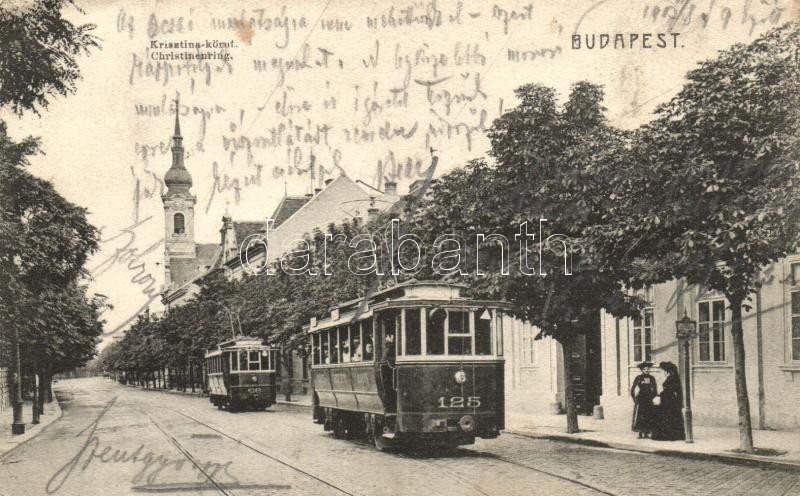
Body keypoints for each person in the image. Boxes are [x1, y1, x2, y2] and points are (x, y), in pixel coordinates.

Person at [652, 361, 686, 441]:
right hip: (669, 399)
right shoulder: (673, 378)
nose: (664, 372)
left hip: (668, 400)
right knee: (670, 417)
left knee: (667, 416)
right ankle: (673, 434)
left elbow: (670, 390)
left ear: (668, 371)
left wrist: (660, 395)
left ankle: (667, 435)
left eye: (664, 371)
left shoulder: (672, 378)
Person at [630, 361, 658, 438]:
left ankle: (647, 432)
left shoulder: (652, 378)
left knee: (648, 415)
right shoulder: (638, 378)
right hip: (641, 398)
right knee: (640, 415)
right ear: (642, 370)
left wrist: (655, 397)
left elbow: (655, 389)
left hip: (649, 398)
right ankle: (640, 433)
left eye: (648, 369)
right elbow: (632, 389)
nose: (646, 370)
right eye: (644, 369)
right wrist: (634, 398)